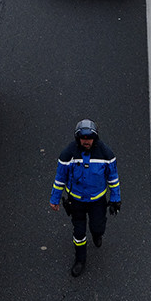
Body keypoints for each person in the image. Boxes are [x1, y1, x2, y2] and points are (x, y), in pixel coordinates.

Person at [49, 119, 120, 278]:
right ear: (78, 138)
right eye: (83, 138)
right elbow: (60, 178)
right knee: (79, 233)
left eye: (89, 138)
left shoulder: (106, 154)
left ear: (95, 138)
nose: (86, 141)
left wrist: (116, 199)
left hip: (97, 201)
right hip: (76, 201)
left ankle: (97, 234)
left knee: (97, 227)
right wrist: (55, 199)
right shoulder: (68, 154)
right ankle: (80, 260)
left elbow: (113, 178)